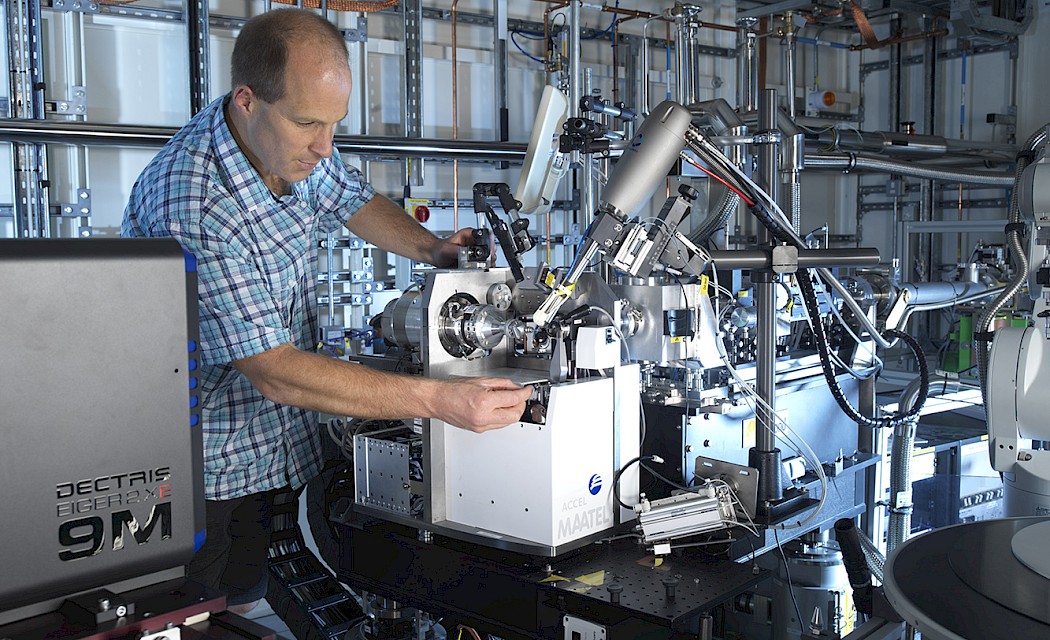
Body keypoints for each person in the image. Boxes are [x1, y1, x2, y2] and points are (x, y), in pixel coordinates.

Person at [122, 8, 532, 614]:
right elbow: (275, 372)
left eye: (334, 124)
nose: (324, 146)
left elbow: (349, 197)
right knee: (194, 617)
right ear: (246, 100)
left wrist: (435, 250)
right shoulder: (198, 202)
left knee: (247, 597)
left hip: (271, 447)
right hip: (201, 469)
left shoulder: (283, 142)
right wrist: (441, 400)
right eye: (308, 123)